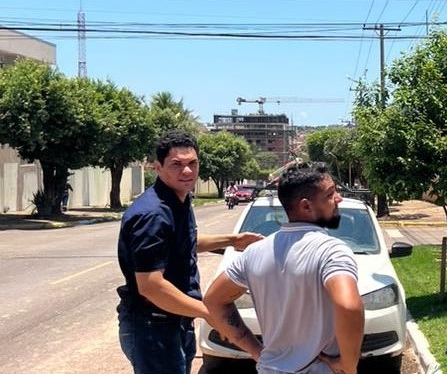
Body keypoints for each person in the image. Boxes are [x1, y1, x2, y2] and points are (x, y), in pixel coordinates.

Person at [116, 130, 264, 374]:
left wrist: (233, 240)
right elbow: (151, 285)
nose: (187, 171)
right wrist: (210, 313)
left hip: (176, 320)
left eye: (192, 163)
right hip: (153, 326)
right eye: (177, 164)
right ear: (157, 167)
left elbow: (185, 242)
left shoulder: (179, 200)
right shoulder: (152, 214)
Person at [203, 166, 364, 374]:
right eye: (331, 194)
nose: (339, 199)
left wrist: (255, 351)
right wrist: (349, 365)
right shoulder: (331, 251)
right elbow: (349, 306)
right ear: (306, 206)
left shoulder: (254, 253)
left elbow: (213, 300)